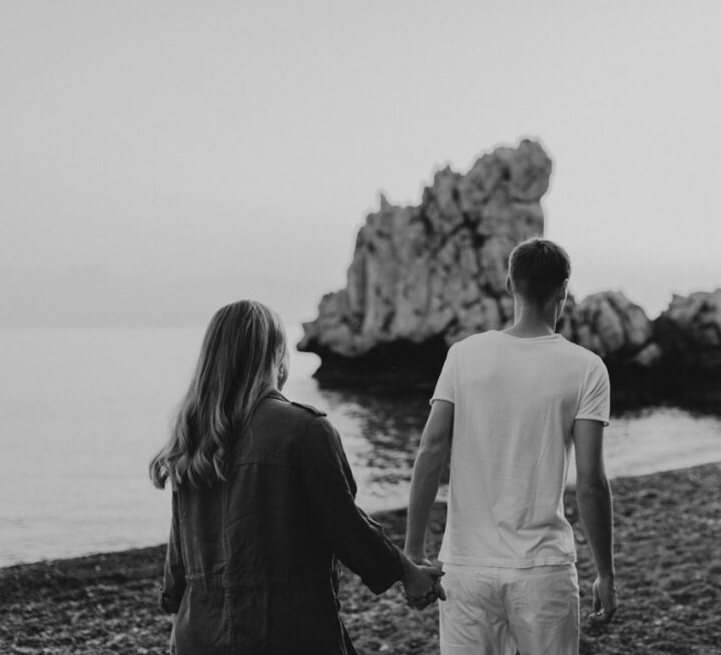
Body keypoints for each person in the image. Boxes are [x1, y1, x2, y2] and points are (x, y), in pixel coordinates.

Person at [149, 300, 443, 654]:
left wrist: (176, 612)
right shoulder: (304, 429)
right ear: (276, 354)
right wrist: (408, 574)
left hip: (197, 633)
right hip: (285, 631)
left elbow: (179, 548)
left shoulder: (194, 433)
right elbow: (345, 526)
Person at [403, 238, 618, 655]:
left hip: (466, 566)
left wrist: (413, 551)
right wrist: (605, 573)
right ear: (564, 290)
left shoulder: (463, 355)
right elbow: (591, 481)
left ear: (509, 285)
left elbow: (430, 449)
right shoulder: (587, 368)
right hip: (543, 569)